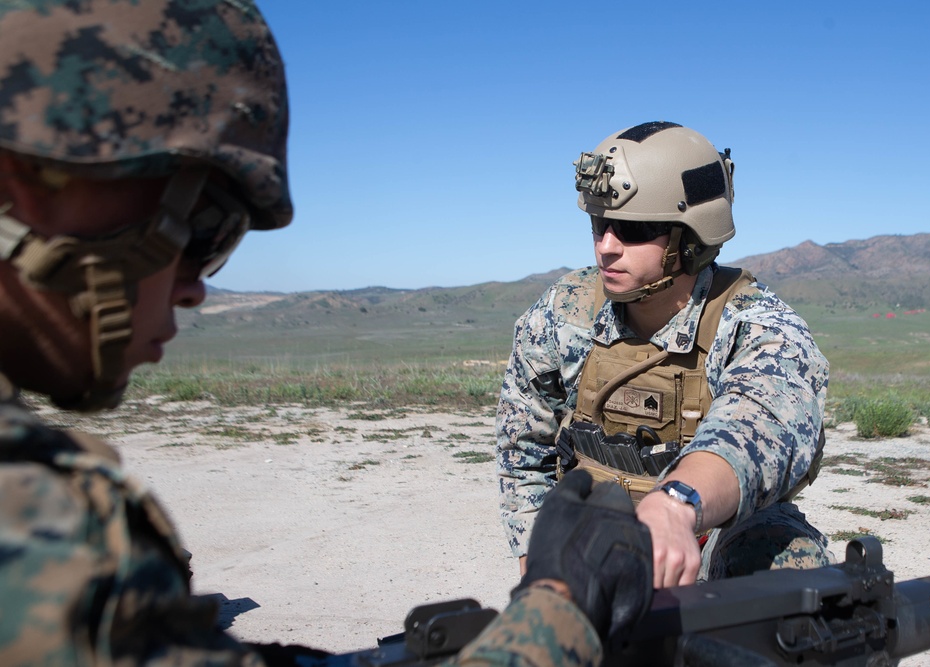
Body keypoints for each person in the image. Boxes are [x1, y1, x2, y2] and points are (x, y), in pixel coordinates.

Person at [0, 2, 650, 665]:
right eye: (201, 226)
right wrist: (558, 608)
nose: (196, 286)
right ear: (24, 176)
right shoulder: (34, 523)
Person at [497, 121, 831, 588]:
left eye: (633, 229)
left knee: (784, 564)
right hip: (597, 541)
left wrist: (676, 504)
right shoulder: (562, 313)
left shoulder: (753, 323)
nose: (606, 247)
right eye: (599, 224)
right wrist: (541, 573)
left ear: (688, 238)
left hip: (710, 547)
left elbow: (764, 421)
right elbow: (523, 451)